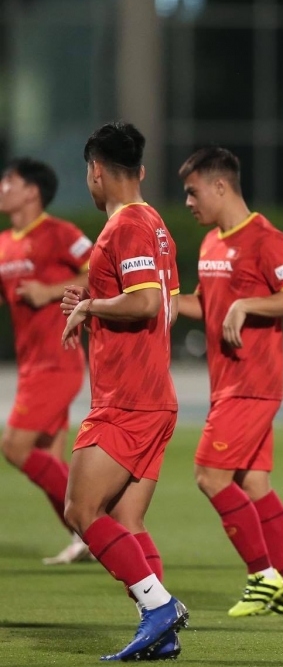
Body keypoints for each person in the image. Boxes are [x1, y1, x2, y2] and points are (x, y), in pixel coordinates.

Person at [174, 147, 283, 617]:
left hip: (253, 382)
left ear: (221, 186)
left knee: (208, 474)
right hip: (227, 382)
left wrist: (247, 305)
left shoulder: (266, 239)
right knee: (253, 483)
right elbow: (205, 304)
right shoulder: (211, 243)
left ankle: (262, 574)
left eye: (193, 192)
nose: (189, 202)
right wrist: (161, 303)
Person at [59, 121, 187, 661]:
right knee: (126, 521)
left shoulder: (123, 228)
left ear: (95, 171)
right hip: (155, 393)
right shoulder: (157, 224)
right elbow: (171, 305)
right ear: (141, 169)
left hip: (127, 400)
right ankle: (162, 634)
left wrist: (91, 307)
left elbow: (146, 305)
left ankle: (159, 608)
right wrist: (100, 302)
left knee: (82, 511)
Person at [0, 158, 93, 565]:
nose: (2, 187)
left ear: (32, 191)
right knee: (48, 460)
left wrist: (51, 291)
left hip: (60, 361)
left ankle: (95, 524)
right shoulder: (4, 243)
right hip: (30, 366)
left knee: (14, 447)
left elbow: (103, 274)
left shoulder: (61, 233)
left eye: (9, 181)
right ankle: (85, 538)